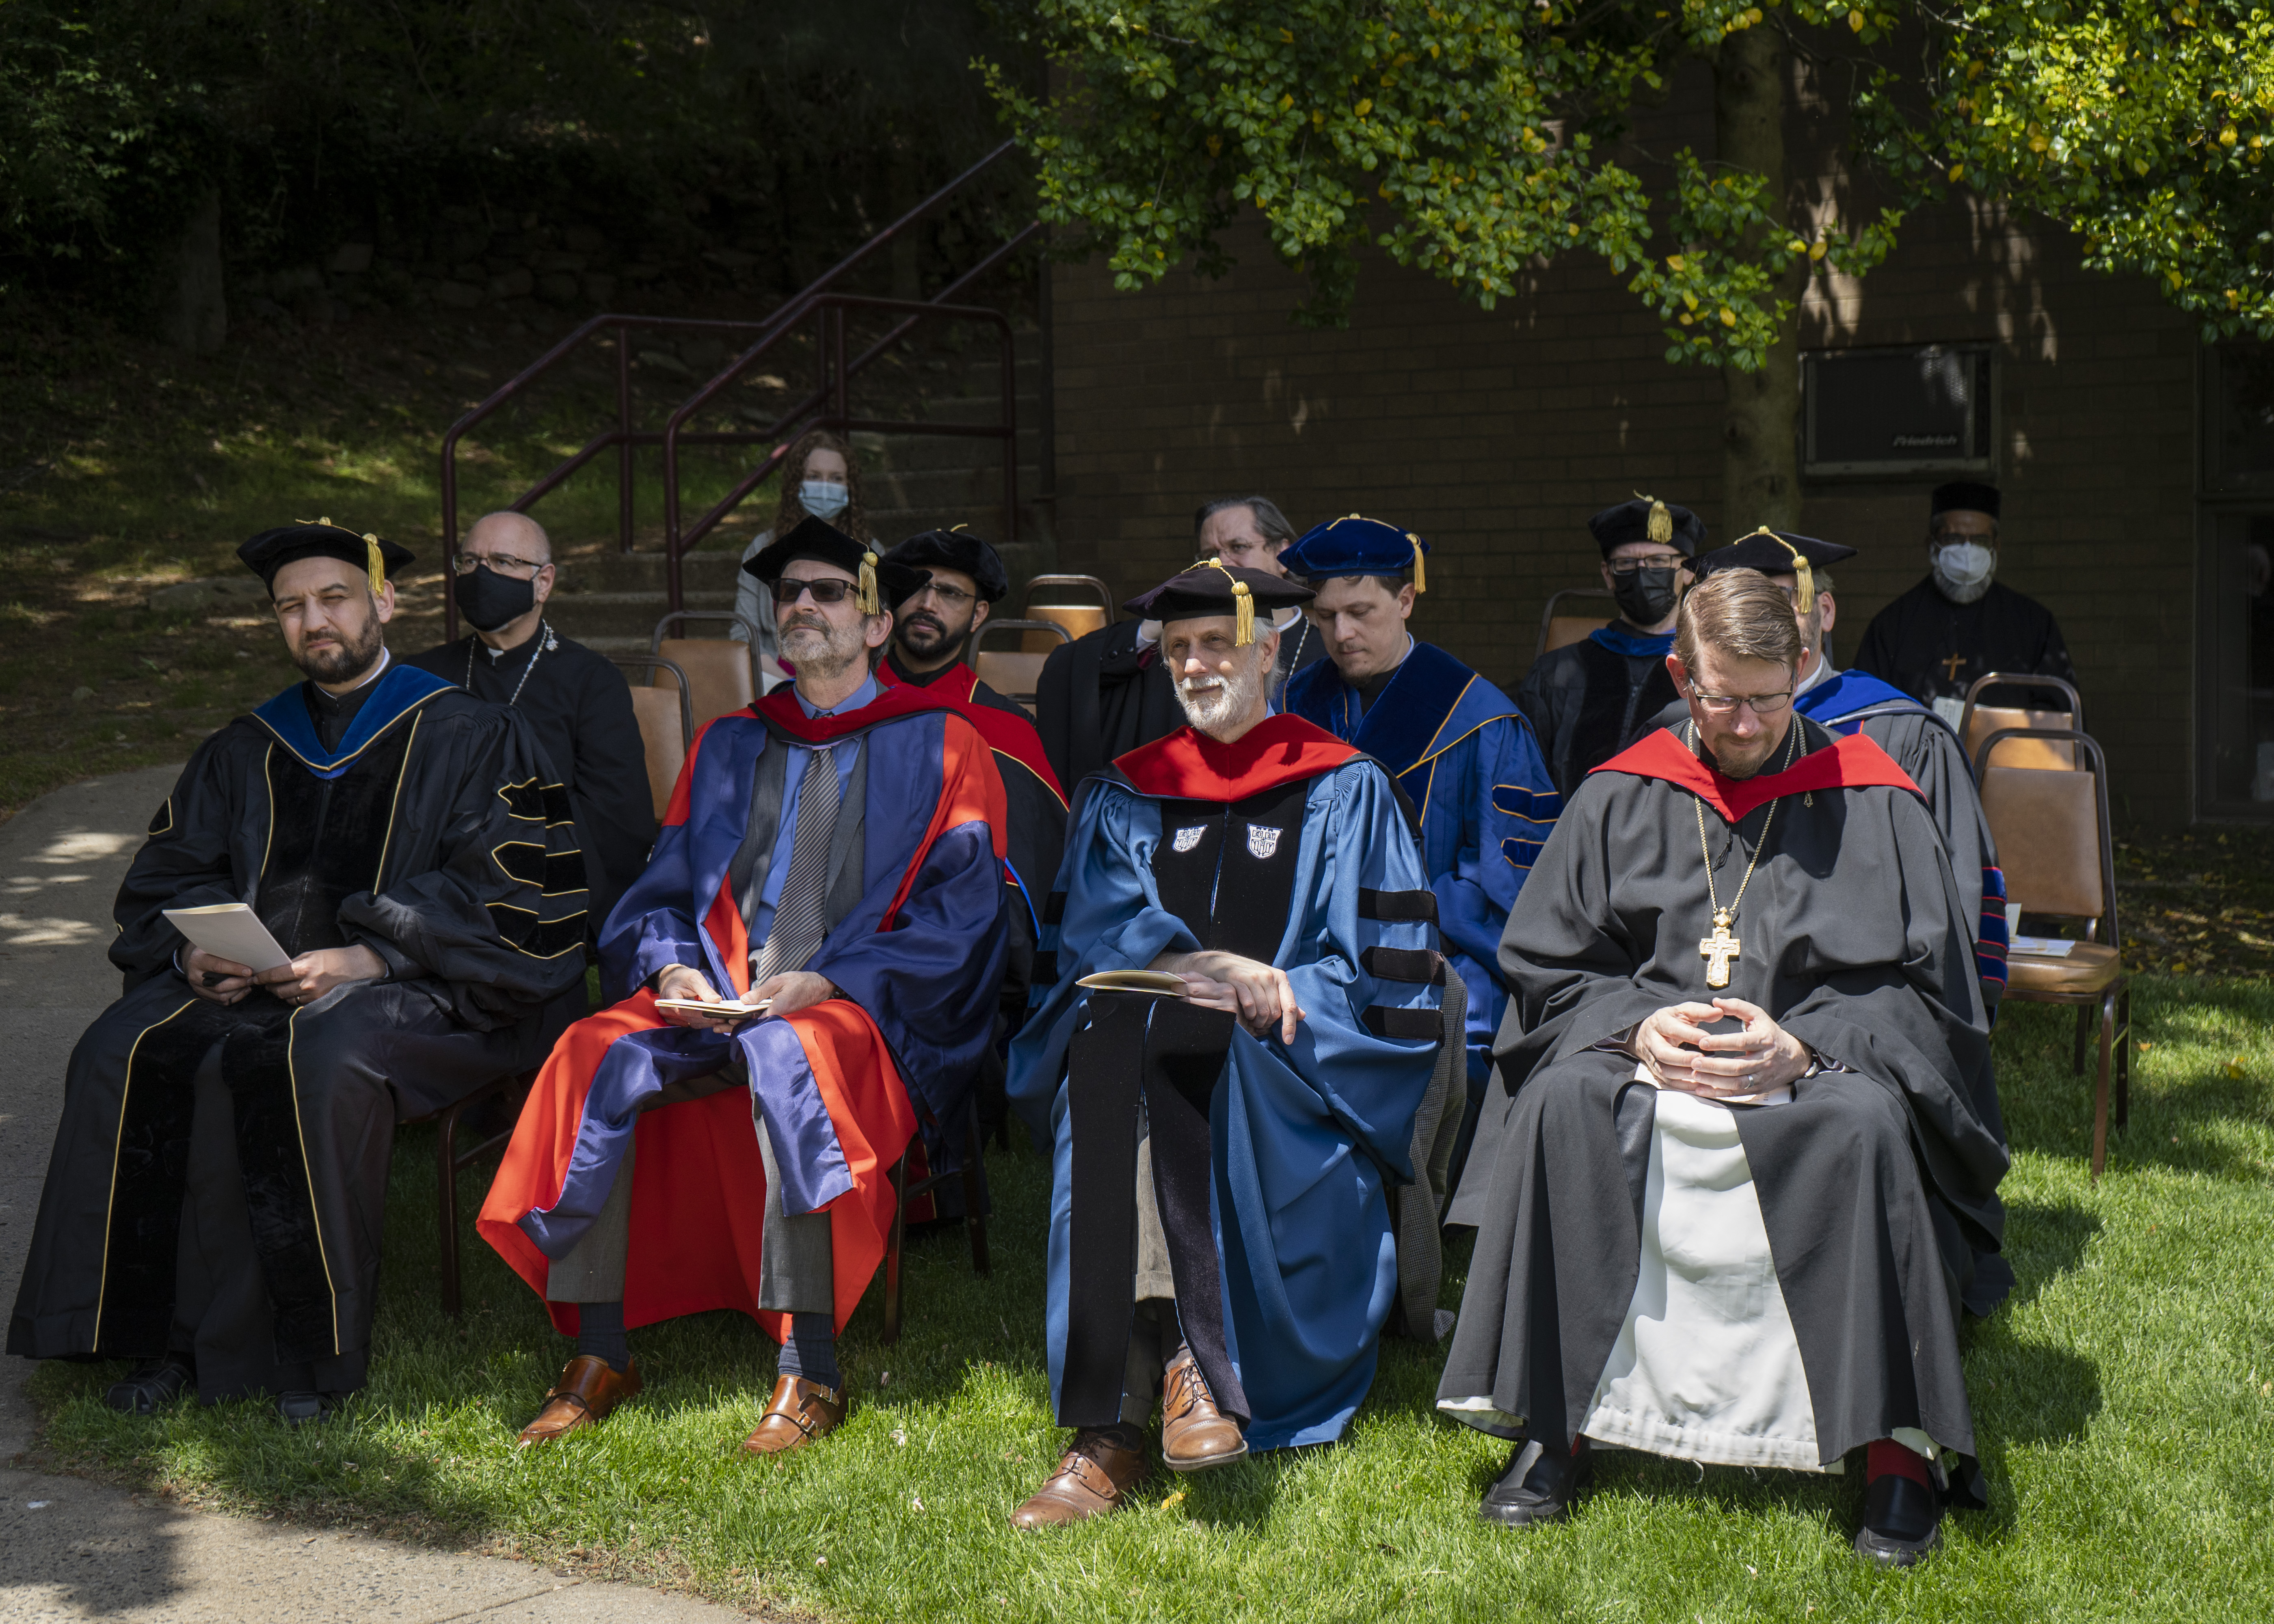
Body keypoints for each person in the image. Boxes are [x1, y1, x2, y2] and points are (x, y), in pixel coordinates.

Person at [1436, 569, 2011, 1568]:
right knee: (1564, 1101)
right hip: (1646, 1058)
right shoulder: (1623, 793)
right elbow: (1548, 967)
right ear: (1679, 673)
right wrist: (1637, 1027)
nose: (1743, 725)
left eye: (1767, 696)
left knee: (1865, 1125)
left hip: (1822, 1065)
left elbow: (1937, 1000)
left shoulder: (1876, 800)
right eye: (1717, 696)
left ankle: (1891, 1454)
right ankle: (1554, 1425)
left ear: (1801, 667)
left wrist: (1806, 1046)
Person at [9, 522, 590, 1423]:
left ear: (383, 602)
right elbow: (169, 875)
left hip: (424, 985)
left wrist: (373, 954)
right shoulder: (246, 746)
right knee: (121, 1049)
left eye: (334, 598)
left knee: (312, 1058)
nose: (314, 620)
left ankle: (305, 1351)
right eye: (292, 606)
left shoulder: (472, 733)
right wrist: (195, 951)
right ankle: (157, 1337)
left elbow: (517, 895)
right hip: (253, 983)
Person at [478, 517, 1010, 1456]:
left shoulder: (942, 744)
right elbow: (670, 878)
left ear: (879, 623)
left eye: (830, 592)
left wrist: (829, 979)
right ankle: (602, 1350)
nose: (801, 604)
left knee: (788, 1056)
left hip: (852, 1000)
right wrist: (673, 962)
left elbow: (961, 916)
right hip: (719, 985)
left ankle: (811, 1369)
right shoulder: (732, 742)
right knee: (591, 1049)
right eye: (788, 593)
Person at [1006, 559, 1444, 1527]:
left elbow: (1389, 983)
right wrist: (1204, 963)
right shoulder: (1127, 795)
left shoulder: (1345, 789)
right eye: (1179, 650)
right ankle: (1162, 1386)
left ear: (1269, 645)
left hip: (1291, 1071)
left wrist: (1285, 987)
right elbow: (1090, 942)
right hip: (1150, 1042)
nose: (1197, 664)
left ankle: (1134, 1411)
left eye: (1216, 643)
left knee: (1166, 1051)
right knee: (1123, 1046)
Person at [1278, 514, 1559, 1182]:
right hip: (1313, 942)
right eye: (1323, 617)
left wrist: (1424, 923)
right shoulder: (1293, 710)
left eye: (1361, 612)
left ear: (1406, 601)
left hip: (1446, 946)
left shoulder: (1479, 718)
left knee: (1451, 1027)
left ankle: (1428, 1189)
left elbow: (1512, 878)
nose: (1342, 635)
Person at [1647, 529, 2009, 1007]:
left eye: (1782, 598)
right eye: (1746, 599)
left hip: (1853, 998)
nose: (1762, 616)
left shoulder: (1899, 734)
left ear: (1826, 611)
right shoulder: (1682, 734)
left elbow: (1951, 895)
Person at [878, 526, 1070, 1138]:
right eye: (917, 588)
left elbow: (1026, 880)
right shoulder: (844, 706)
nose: (929, 604)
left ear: (980, 612)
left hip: (958, 947)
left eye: (952, 594)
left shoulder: (1005, 729)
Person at [408, 511, 657, 937]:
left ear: (543, 582)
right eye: (469, 562)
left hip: (547, 888)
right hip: (435, 880)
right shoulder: (421, 677)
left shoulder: (591, 680)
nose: (480, 574)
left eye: (502, 562)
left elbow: (614, 817)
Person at [1034, 496, 1321, 790]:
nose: (1221, 563)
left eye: (1238, 547)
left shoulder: (1326, 650)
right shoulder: (1183, 656)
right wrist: (1158, 626)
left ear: (1282, 553)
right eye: (1209, 554)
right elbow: (1073, 670)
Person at [1516, 495, 1703, 801]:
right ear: (1608, 575)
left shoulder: (1706, 673)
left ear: (1687, 572)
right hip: (1572, 840)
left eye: (1658, 561)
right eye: (1627, 563)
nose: (1643, 574)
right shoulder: (1558, 673)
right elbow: (1526, 780)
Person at [1851, 482, 2079, 728]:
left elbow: (2060, 720)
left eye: (1980, 540)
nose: (1967, 550)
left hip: (2002, 762)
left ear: (1996, 547)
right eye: (1953, 538)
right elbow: (1865, 714)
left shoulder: (2033, 624)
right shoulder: (1892, 626)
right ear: (1931, 544)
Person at [731, 430, 869, 682]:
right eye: (814, 477)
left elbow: (873, 632)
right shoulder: (763, 548)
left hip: (846, 682)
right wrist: (787, 685)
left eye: (836, 478)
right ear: (797, 484)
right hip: (774, 679)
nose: (825, 486)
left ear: (850, 487)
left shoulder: (870, 554)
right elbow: (743, 633)